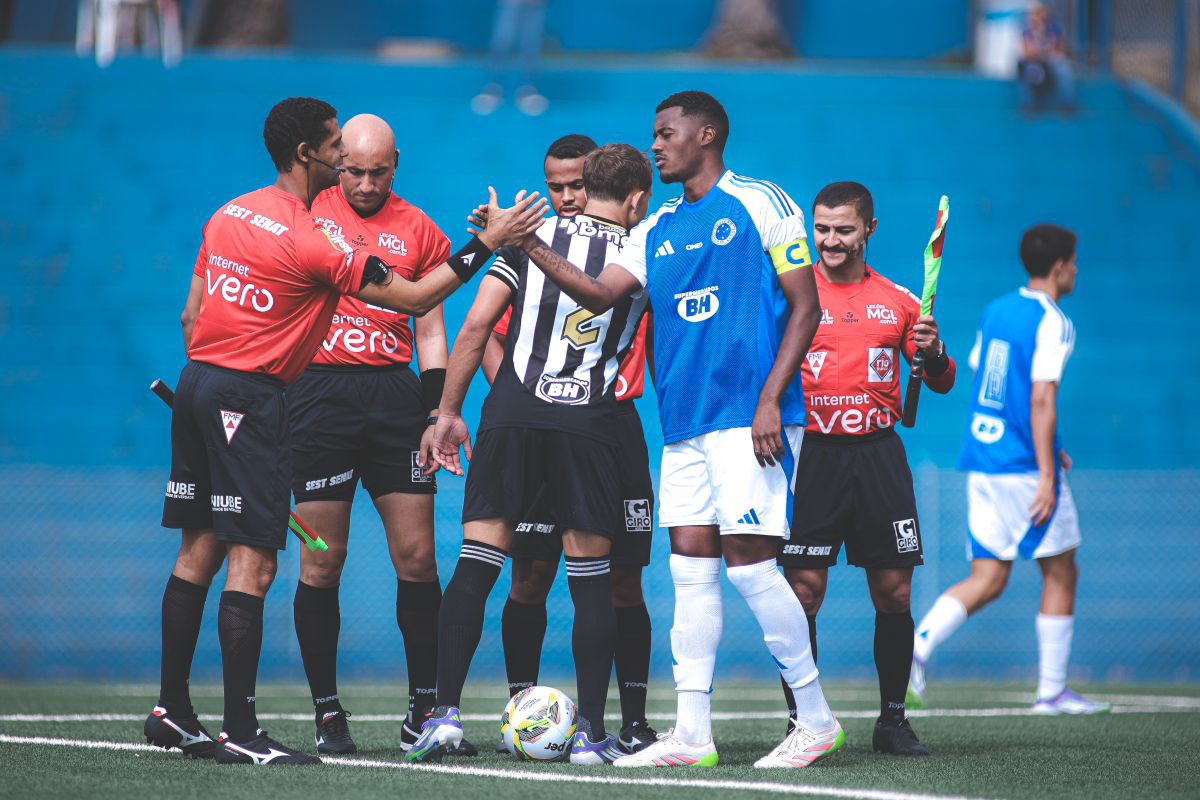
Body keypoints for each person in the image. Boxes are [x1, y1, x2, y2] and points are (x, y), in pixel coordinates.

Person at [144, 95, 547, 765]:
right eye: (337, 150)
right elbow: (418, 298)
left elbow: (192, 315)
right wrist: (487, 243)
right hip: (259, 397)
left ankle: (172, 711)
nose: (348, 165)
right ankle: (242, 733)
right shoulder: (311, 236)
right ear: (309, 154)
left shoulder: (229, 212)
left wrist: (217, 389)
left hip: (201, 384)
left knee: (200, 550)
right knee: (258, 560)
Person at [511, 90, 841, 770]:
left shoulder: (762, 202)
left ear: (707, 132)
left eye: (666, 132)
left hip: (750, 419)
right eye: (654, 133)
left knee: (752, 569)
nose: (655, 145)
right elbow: (600, 292)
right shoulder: (655, 225)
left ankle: (816, 719)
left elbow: (806, 308)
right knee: (691, 573)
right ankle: (692, 735)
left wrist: (771, 400)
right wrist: (527, 246)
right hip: (685, 425)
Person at [406, 143, 653, 766]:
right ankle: (593, 735)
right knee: (589, 578)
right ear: (635, 198)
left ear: (583, 184)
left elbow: (473, 328)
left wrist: (447, 413)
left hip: (511, 416)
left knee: (477, 561)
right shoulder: (644, 242)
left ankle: (442, 717)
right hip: (590, 425)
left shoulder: (526, 235)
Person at [285, 113, 472, 757]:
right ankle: (327, 713)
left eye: (378, 171)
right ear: (337, 162)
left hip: (394, 402)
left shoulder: (418, 226)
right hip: (319, 399)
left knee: (418, 558)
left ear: (397, 164)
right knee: (322, 557)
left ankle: (424, 709)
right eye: (353, 170)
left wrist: (434, 412)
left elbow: (429, 328)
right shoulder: (308, 212)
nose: (364, 183)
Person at [480, 134, 658, 754]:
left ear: (599, 187)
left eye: (574, 186)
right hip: (545, 422)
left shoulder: (637, 248)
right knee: (528, 574)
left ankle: (628, 722)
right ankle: (517, 710)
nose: (565, 197)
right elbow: (491, 334)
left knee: (622, 580)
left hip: (616, 425)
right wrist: (523, 395)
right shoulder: (538, 253)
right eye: (553, 187)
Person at [775, 182, 955, 757]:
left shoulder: (901, 302)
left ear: (868, 230)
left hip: (878, 454)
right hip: (811, 456)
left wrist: (932, 351)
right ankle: (804, 720)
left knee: (894, 590)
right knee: (802, 593)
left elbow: (942, 379)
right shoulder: (791, 296)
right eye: (821, 228)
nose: (830, 240)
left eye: (843, 229)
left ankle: (893, 722)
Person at [908, 223, 1109, 716]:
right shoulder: (1054, 320)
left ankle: (914, 649)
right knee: (1062, 569)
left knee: (989, 576)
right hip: (1022, 466)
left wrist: (1051, 449)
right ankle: (1052, 692)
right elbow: (1040, 396)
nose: (1076, 270)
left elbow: (991, 385)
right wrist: (1047, 472)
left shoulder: (997, 310)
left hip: (983, 459)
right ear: (1060, 266)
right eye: (1075, 262)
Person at [471, 0, 548, 116]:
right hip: (510, 4)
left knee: (530, 47)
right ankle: (492, 89)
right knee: (501, 43)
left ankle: (527, 90)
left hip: (534, 5)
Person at [1017, 2, 1076, 113]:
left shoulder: (1054, 27)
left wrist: (1048, 52)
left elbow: (1061, 50)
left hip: (1050, 63)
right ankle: (1029, 107)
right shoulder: (1027, 30)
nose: (1038, 16)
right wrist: (1038, 35)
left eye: (1040, 12)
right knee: (1030, 71)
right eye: (1035, 13)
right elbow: (1028, 53)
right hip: (1035, 64)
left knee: (1063, 69)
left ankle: (1067, 106)